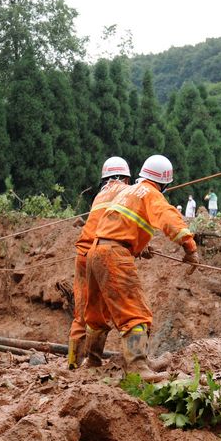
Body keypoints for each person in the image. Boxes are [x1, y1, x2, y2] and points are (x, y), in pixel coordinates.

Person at [85, 154, 199, 383]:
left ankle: (93, 361)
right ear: (164, 183)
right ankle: (138, 367)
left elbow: (118, 224)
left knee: (97, 312)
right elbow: (170, 220)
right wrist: (190, 248)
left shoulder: (127, 192)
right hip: (114, 255)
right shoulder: (151, 193)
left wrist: (137, 246)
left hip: (96, 251)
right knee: (136, 312)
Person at [68, 156, 131, 370]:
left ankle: (73, 364)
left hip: (82, 255)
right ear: (126, 178)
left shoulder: (99, 195)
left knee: (82, 312)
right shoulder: (126, 192)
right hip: (102, 254)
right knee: (114, 310)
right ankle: (99, 359)